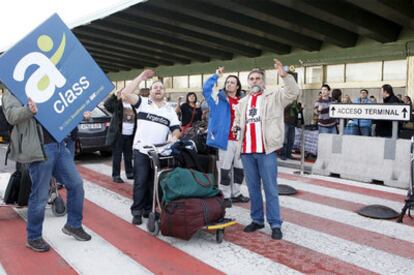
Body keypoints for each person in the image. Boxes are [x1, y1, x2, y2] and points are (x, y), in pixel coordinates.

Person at [2, 90, 91, 253]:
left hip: (59, 145)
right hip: (39, 148)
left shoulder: (44, 85)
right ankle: (34, 237)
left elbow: (63, 110)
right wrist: (29, 110)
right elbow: (12, 116)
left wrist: (80, 115)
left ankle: (74, 225)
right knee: (40, 195)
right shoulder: (12, 92)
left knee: (76, 185)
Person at [233, 59, 300, 240]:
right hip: (247, 151)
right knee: (253, 189)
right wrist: (236, 130)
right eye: (252, 79)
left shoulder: (275, 96)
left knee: (270, 189)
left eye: (258, 78)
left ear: (264, 81)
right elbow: (238, 122)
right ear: (248, 82)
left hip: (266, 150)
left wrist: (285, 76)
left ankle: (275, 223)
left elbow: (294, 92)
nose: (255, 81)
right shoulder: (242, 102)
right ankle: (257, 220)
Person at [122, 69, 181, 225]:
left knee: (153, 182)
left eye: (161, 87)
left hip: (158, 152)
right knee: (140, 180)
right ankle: (137, 211)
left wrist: (175, 137)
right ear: (150, 91)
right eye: (155, 87)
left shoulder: (170, 109)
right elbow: (125, 93)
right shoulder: (143, 103)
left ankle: (149, 209)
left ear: (164, 91)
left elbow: (176, 128)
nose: (158, 89)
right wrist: (141, 77)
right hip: (141, 149)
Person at [203, 67, 249, 208]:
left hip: (241, 140)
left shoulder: (244, 101)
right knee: (224, 168)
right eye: (227, 82)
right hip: (226, 140)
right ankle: (225, 194)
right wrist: (216, 75)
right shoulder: (218, 98)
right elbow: (206, 90)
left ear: (237, 86)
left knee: (239, 169)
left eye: (232, 82)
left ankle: (236, 193)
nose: (229, 84)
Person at [104, 89, 137, 183]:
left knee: (128, 155)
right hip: (119, 135)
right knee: (117, 156)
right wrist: (114, 96)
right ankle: (116, 175)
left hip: (130, 134)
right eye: (124, 93)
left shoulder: (133, 105)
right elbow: (107, 105)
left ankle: (130, 173)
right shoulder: (118, 104)